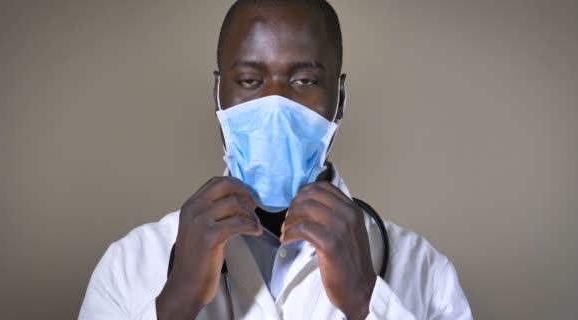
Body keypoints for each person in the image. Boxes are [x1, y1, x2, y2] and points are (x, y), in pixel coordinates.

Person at [79, 1, 472, 319]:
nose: (275, 108)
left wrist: (367, 302)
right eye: (250, 81)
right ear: (218, 95)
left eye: (304, 82)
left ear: (340, 101)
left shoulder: (425, 273)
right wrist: (176, 302)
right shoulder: (129, 266)